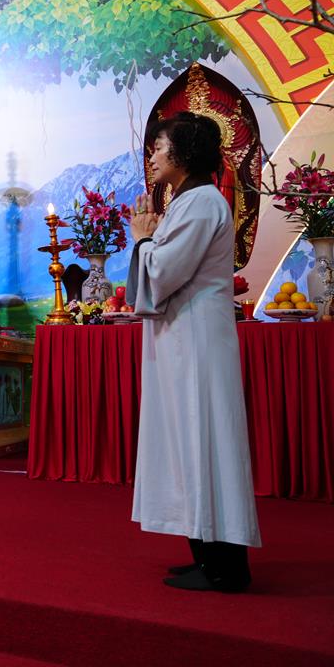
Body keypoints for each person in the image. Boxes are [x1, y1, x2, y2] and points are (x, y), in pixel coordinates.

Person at [126, 111, 260, 592]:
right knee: (187, 441)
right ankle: (205, 553)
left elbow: (163, 272)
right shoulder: (188, 202)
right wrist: (148, 239)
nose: (153, 156)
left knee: (204, 441)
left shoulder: (202, 203)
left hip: (198, 343)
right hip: (181, 339)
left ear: (184, 152)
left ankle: (225, 567)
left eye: (160, 147)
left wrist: (143, 238)